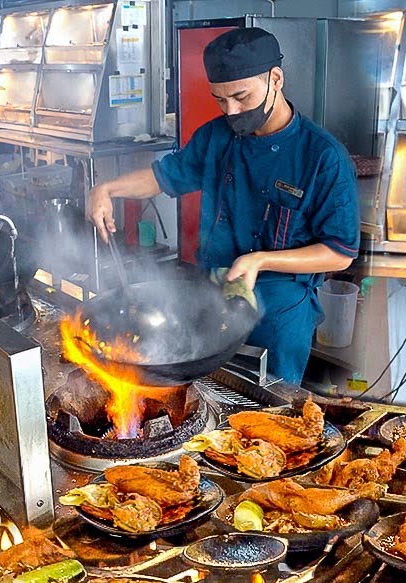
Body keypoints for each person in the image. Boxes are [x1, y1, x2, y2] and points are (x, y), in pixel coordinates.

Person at [86, 28, 358, 385]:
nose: (232, 111)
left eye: (241, 97)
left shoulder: (323, 156)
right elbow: (163, 177)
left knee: (269, 417)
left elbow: (339, 252)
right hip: (210, 298)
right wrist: (107, 188)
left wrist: (261, 260)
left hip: (276, 313)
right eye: (220, 100)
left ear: (275, 79)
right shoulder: (216, 136)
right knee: (207, 398)